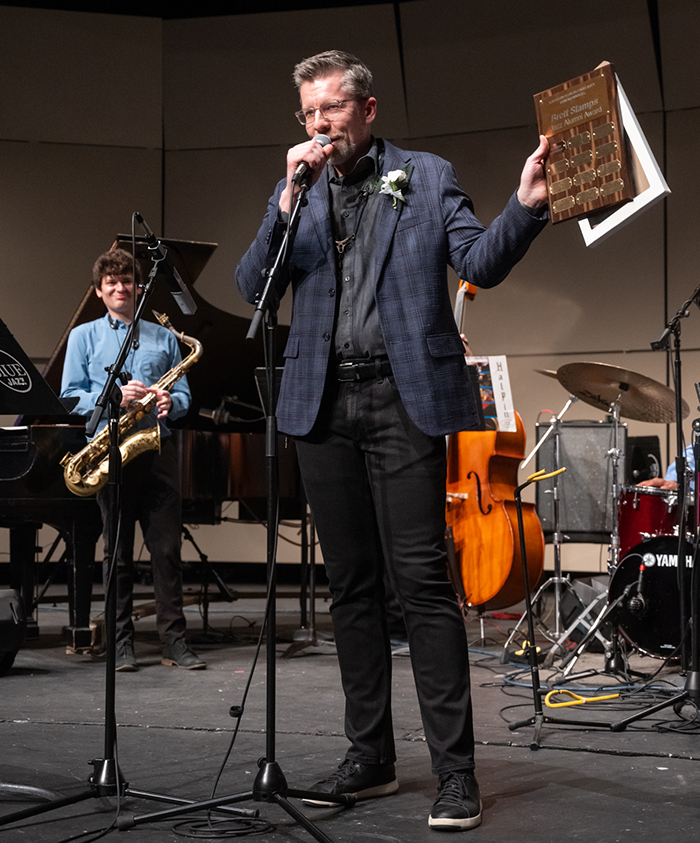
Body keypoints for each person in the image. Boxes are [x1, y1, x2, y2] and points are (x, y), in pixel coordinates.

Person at [236, 51, 548, 831]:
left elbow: (479, 260)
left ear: (367, 110)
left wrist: (528, 205)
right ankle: (369, 755)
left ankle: (455, 771)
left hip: (402, 398)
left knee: (421, 584)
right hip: (321, 403)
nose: (319, 125)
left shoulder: (428, 175)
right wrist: (281, 201)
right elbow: (251, 287)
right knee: (350, 588)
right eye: (308, 113)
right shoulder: (299, 196)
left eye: (331, 109)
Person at [61, 248, 205, 672]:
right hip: (112, 450)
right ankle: (120, 643)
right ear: (99, 292)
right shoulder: (83, 337)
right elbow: (70, 397)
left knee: (167, 553)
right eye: (112, 284)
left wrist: (168, 400)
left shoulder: (165, 336)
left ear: (138, 288)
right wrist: (111, 400)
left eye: (127, 281)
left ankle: (174, 643)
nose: (121, 288)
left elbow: (184, 398)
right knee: (118, 555)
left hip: (158, 449)